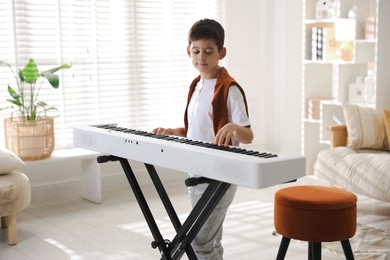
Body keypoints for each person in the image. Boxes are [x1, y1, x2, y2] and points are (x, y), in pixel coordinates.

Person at [153, 18, 253, 260]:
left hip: (219, 175)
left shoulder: (229, 89)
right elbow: (197, 130)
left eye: (209, 51)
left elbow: (248, 136)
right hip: (196, 171)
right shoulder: (197, 85)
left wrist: (232, 127)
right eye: (196, 51)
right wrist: (174, 131)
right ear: (189, 51)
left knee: (200, 242)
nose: (202, 57)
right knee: (210, 240)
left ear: (222, 53)